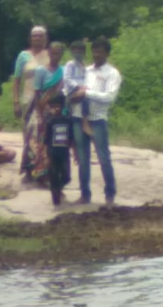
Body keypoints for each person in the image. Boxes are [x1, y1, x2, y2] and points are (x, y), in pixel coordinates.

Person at [70, 37, 122, 206]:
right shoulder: (86, 71)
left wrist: (87, 93)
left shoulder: (112, 73)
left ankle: (110, 193)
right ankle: (85, 194)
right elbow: (76, 89)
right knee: (82, 158)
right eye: (94, 51)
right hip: (80, 117)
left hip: (97, 120)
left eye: (100, 51)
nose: (96, 54)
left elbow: (109, 97)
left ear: (107, 53)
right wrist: (75, 95)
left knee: (103, 157)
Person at [22, 41, 65, 183]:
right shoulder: (41, 70)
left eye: (57, 53)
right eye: (52, 53)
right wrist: (41, 113)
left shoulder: (63, 71)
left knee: (52, 144)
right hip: (41, 109)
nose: (54, 56)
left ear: (61, 55)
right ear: (48, 54)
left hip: (57, 111)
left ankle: (47, 173)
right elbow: (37, 92)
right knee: (35, 141)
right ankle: (32, 172)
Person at [13, 26, 49, 159]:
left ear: (45, 38)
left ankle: (42, 167)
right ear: (30, 38)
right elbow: (16, 80)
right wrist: (16, 101)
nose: (37, 38)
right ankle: (29, 167)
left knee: (43, 133)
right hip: (28, 99)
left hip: (46, 99)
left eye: (40, 35)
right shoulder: (23, 56)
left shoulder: (50, 54)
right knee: (29, 132)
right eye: (35, 36)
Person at [43, 93, 73, 206]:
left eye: (58, 106)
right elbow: (46, 140)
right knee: (53, 177)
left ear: (62, 106)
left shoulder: (67, 121)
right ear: (50, 108)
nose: (56, 109)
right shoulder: (50, 122)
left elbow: (71, 139)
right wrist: (45, 156)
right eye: (53, 107)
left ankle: (58, 189)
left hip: (64, 154)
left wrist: (75, 153)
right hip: (52, 154)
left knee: (66, 177)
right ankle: (56, 202)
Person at [63, 40, 92, 138]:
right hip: (71, 91)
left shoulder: (84, 66)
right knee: (84, 97)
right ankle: (85, 122)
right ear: (72, 52)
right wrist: (78, 87)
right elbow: (67, 78)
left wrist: (85, 87)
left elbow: (86, 79)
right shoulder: (70, 64)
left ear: (84, 52)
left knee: (89, 96)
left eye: (80, 51)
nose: (78, 53)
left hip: (81, 89)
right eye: (76, 51)